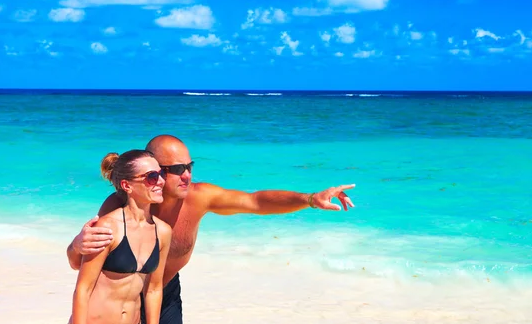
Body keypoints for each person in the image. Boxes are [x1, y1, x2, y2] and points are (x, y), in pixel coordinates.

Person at [67, 135, 355, 324]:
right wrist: (76, 245)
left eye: (189, 166)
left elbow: (254, 201)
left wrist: (309, 200)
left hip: (164, 294)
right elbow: (82, 266)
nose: (187, 175)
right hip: (122, 302)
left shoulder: (199, 197)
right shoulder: (117, 206)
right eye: (177, 169)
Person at [70, 150, 172, 324]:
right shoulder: (109, 227)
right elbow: (83, 289)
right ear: (127, 186)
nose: (161, 181)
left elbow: (153, 290)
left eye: (162, 174)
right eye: (152, 177)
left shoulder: (163, 231)